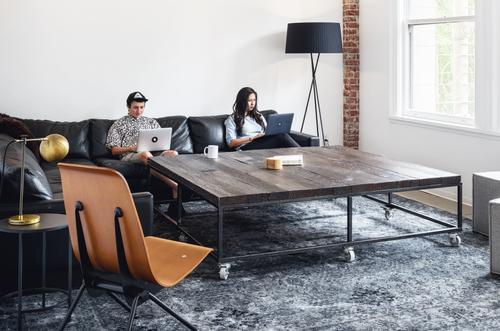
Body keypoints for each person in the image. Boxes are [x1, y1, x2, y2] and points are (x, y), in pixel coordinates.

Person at [106, 91, 179, 199]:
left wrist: (162, 147)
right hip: (131, 155)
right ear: (128, 107)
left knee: (173, 153)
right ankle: (175, 185)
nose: (139, 111)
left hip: (154, 152)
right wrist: (132, 147)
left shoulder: (151, 122)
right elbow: (114, 150)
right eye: (135, 107)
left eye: (141, 107)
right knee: (145, 154)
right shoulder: (119, 124)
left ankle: (175, 206)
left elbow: (161, 140)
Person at [224, 87, 300, 150]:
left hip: (261, 142)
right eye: (249, 100)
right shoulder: (232, 119)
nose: (253, 103)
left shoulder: (258, 116)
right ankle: (304, 153)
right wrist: (252, 138)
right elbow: (231, 143)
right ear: (242, 101)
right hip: (246, 146)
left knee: (282, 134)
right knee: (281, 137)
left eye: (254, 100)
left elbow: (268, 132)